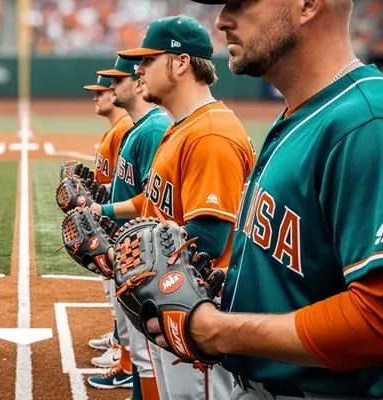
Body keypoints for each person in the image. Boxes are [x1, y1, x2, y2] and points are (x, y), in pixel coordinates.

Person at [145, 0, 383, 398]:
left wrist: (216, 330)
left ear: (307, 5)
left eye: (242, 3)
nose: (222, 20)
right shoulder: (307, 113)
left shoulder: (372, 125)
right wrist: (228, 291)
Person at [99, 15, 256, 400]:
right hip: (172, 296)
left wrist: (130, 261)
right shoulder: (183, 126)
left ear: (181, 62)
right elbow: (155, 206)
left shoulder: (211, 134)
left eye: (149, 60)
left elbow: (209, 240)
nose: (138, 70)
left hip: (196, 307)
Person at [86, 57, 172, 399]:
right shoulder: (139, 128)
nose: (109, 89)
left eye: (115, 81)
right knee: (140, 349)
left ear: (137, 85)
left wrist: (100, 207)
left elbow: (149, 198)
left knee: (146, 352)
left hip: (140, 249)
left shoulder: (150, 130)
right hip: (127, 244)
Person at [80, 74, 136, 383]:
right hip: (113, 223)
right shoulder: (116, 130)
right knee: (114, 293)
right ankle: (119, 341)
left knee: (120, 293)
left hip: (123, 228)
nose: (97, 97)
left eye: (101, 92)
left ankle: (123, 353)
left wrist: (101, 208)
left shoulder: (124, 129)